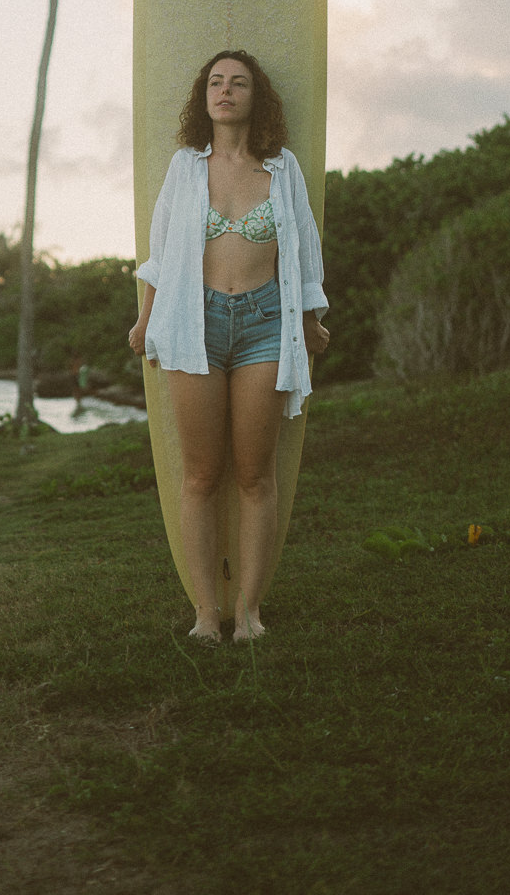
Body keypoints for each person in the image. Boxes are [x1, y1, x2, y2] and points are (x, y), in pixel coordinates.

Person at [129, 50, 329, 644]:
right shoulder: (186, 167)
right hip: (196, 321)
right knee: (199, 476)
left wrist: (313, 321)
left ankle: (249, 613)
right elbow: (161, 254)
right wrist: (145, 322)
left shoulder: (283, 167)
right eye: (215, 82)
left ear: (254, 97)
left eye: (238, 82)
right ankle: (204, 614)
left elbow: (305, 249)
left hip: (268, 323)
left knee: (255, 475)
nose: (225, 90)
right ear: (203, 97)